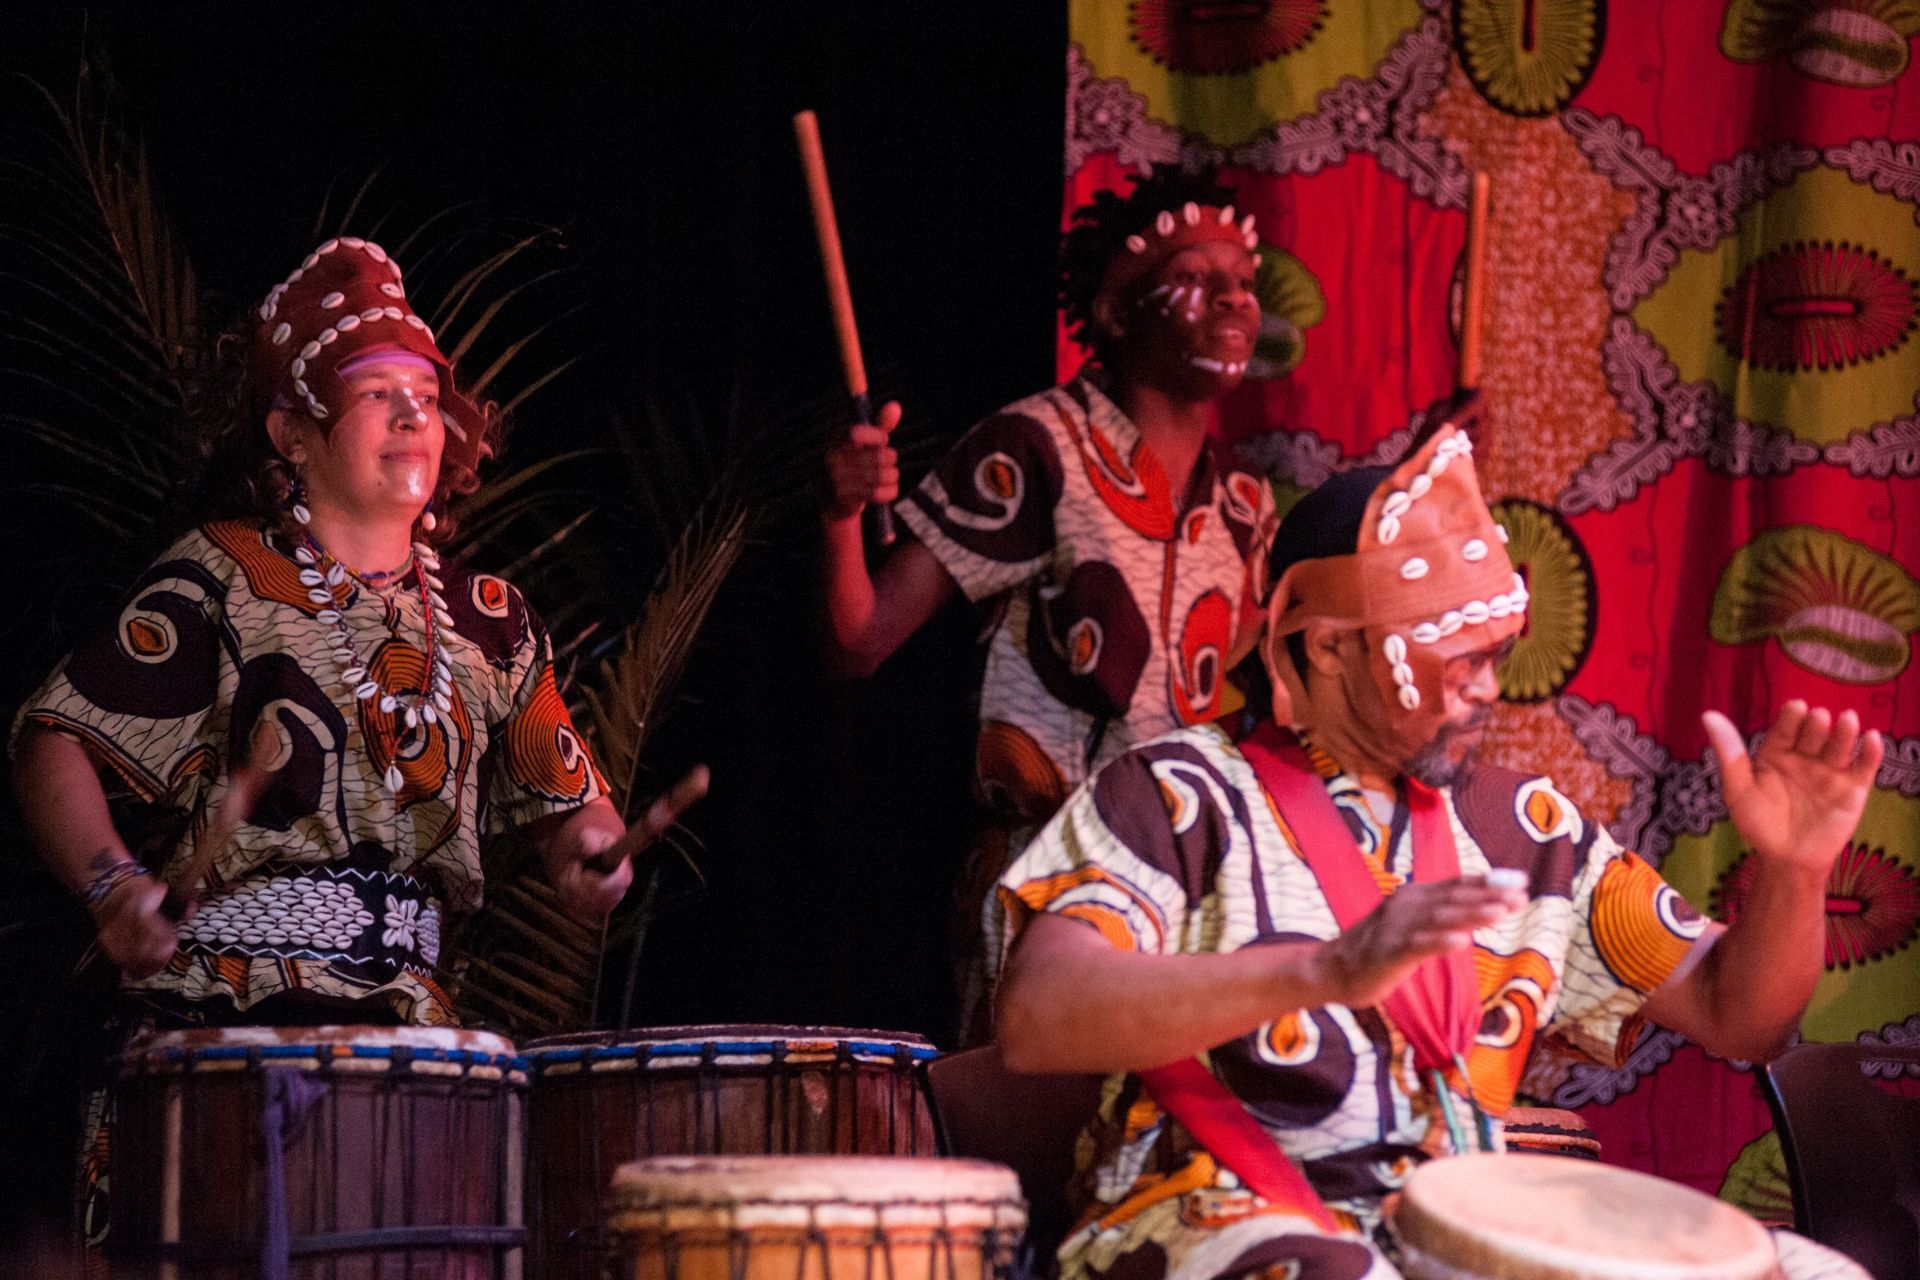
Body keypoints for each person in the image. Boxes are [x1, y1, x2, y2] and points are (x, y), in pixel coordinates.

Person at [993, 422, 1881, 1280]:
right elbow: (1036, 1015)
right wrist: (1324, 972)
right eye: (1458, 662)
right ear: (1334, 648)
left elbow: (1742, 1015)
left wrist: (1797, 871)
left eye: (1495, 656)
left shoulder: (1527, 829)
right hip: (1211, 1223)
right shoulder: (1175, 794)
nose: (1490, 690)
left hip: (1448, 1236)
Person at [10, 238, 706, 1244]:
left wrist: (595, 859)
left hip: (411, 1037)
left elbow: (575, 811)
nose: (415, 412)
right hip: (225, 1031)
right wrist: (112, 886)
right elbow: (52, 743)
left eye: (424, 391)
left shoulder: (492, 621)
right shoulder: (220, 574)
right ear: (292, 431)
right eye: (377, 391)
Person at [823, 168, 1280, 1031]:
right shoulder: (1034, 449)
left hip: (1187, 906)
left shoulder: (1246, 505)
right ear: (1113, 314)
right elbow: (858, 638)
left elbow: (1289, 692)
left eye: (1246, 284)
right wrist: (843, 514)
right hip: (1048, 889)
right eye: (1198, 279)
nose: (1234, 301)